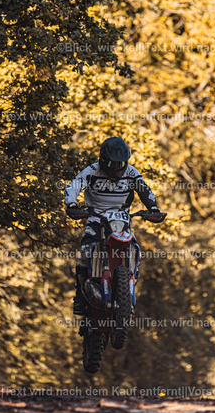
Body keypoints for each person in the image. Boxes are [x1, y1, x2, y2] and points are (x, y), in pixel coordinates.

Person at [64, 136, 163, 320]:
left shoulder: (131, 172)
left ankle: (127, 288)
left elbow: (144, 190)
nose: (117, 168)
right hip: (95, 218)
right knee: (85, 251)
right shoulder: (92, 171)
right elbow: (73, 186)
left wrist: (153, 208)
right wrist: (71, 204)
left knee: (135, 250)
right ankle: (79, 296)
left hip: (121, 218)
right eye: (112, 164)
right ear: (103, 160)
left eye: (121, 164)